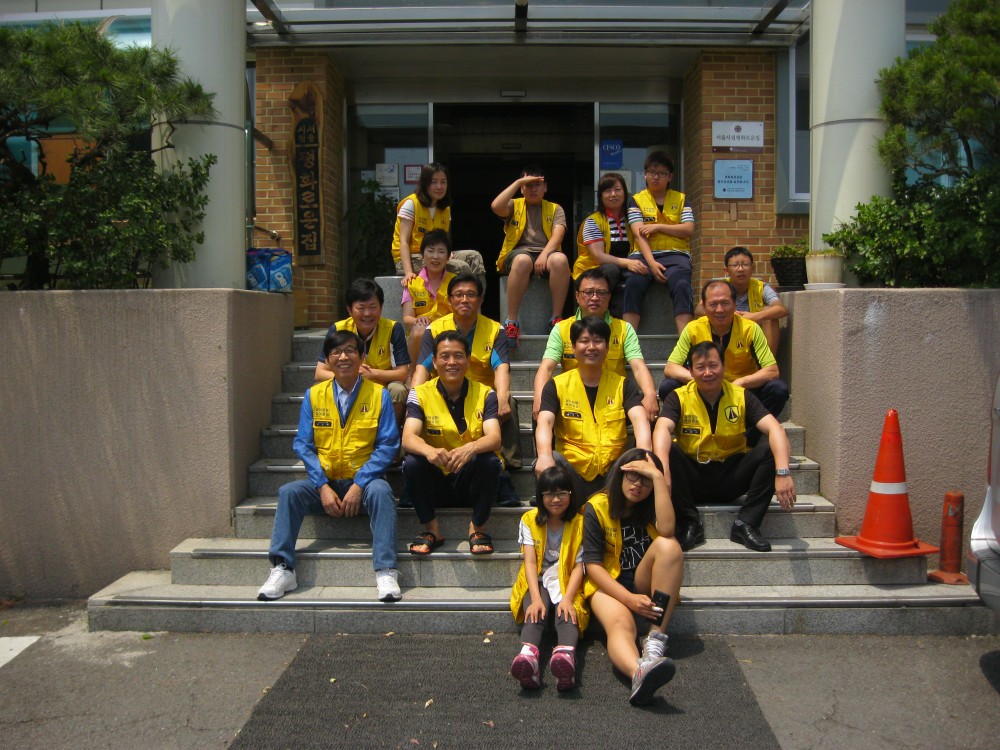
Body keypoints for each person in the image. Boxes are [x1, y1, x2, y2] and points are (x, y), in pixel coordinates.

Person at [259, 329, 401, 602]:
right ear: (327, 359)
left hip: (364, 483)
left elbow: (388, 445)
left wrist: (360, 483)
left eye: (350, 351)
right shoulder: (314, 395)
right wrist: (322, 486)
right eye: (336, 352)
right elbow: (303, 444)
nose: (343, 357)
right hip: (326, 483)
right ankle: (283, 568)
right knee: (289, 493)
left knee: (382, 492)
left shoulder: (379, 395)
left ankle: (386, 570)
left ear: (362, 357)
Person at [653, 341, 797, 552]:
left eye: (713, 365)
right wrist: (663, 472)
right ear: (690, 371)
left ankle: (746, 523)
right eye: (700, 367)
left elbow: (776, 429)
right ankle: (690, 522)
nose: (708, 372)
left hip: (731, 475)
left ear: (724, 366)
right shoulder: (679, 397)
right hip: (692, 477)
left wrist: (783, 472)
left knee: (769, 451)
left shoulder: (741, 396)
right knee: (668, 452)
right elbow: (662, 429)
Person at [582, 448, 683, 706]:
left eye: (646, 480)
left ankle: (655, 641)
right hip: (607, 585)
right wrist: (629, 600)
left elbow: (667, 530)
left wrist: (658, 478)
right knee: (621, 623)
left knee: (670, 546)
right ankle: (638, 672)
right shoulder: (597, 506)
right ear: (620, 475)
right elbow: (592, 566)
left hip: (641, 580)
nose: (638, 485)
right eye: (633, 476)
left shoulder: (655, 502)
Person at [413, 273, 522, 504]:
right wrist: (415, 398)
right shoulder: (435, 329)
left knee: (508, 402)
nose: (465, 299)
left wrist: (502, 397)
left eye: (471, 295)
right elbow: (422, 368)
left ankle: (506, 467)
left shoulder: (495, 330)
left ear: (480, 300)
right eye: (459, 295)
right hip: (444, 392)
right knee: (413, 409)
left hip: (481, 397)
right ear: (450, 300)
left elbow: (501, 367)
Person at [402, 330, 503, 556]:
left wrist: (471, 448)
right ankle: (432, 529)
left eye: (458, 356)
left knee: (489, 461)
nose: (451, 362)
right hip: (435, 481)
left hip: (469, 481)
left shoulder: (486, 393)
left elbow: (495, 437)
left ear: (468, 360)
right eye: (444, 356)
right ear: (434, 361)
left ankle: (477, 528)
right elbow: (408, 437)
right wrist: (428, 450)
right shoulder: (419, 393)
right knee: (412, 462)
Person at [534, 316, 650, 498]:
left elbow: (640, 420)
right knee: (551, 458)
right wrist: (544, 455)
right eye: (584, 341)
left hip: (613, 475)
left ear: (607, 347)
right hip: (573, 474)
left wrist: (644, 454)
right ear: (573, 347)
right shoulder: (557, 385)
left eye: (598, 341)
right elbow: (545, 422)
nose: (591, 347)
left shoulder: (623, 385)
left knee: (638, 458)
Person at [532, 268, 659, 424]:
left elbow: (638, 367)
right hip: (572, 400)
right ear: (577, 296)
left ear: (609, 297)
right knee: (542, 409)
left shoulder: (624, 329)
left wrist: (650, 394)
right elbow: (546, 368)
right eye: (588, 292)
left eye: (601, 293)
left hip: (613, 400)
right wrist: (539, 397)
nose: (595, 297)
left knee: (650, 408)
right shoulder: (561, 329)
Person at [659, 278, 789, 420]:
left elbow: (772, 371)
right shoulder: (693, 329)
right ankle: (693, 428)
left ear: (735, 304)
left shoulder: (750, 329)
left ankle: (749, 432)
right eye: (713, 304)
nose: (719, 310)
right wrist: (702, 379)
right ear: (704, 307)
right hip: (703, 389)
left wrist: (741, 382)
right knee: (668, 387)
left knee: (778, 390)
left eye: (725, 303)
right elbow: (670, 368)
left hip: (740, 391)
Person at [509, 464, 588, 692]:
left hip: (566, 578)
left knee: (568, 611)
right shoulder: (529, 519)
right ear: (540, 496)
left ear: (570, 495)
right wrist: (535, 598)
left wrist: (568, 598)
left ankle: (565, 657)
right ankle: (528, 657)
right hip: (538, 579)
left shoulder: (580, 523)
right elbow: (530, 563)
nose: (556, 499)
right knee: (535, 611)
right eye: (549, 494)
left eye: (562, 493)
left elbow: (579, 566)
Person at [491, 164, 570, 349]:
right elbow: (496, 206)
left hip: (547, 253)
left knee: (561, 260)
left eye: (537, 184)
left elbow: (558, 235)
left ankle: (556, 319)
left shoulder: (555, 208)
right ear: (521, 188)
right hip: (519, 253)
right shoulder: (515, 205)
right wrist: (518, 181)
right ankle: (512, 322)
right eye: (528, 185)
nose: (533, 189)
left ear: (545, 187)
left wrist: (544, 254)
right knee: (523, 260)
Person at [316, 278, 409, 424]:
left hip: (380, 388)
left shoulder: (393, 329)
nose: (367, 314)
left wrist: (372, 374)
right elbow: (320, 373)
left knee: (398, 390)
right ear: (349, 310)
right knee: (320, 389)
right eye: (361, 308)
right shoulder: (338, 329)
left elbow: (402, 374)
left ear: (381, 307)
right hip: (347, 386)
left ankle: (392, 433)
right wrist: (353, 377)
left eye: (373, 307)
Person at [623, 151, 695, 334]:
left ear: (670, 177)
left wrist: (658, 227)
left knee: (681, 285)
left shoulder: (681, 199)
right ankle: (629, 341)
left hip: (676, 254)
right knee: (633, 283)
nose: (656, 177)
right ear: (645, 174)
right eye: (652, 172)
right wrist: (652, 263)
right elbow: (639, 235)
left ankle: (685, 341)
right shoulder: (636, 201)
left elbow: (688, 229)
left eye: (662, 173)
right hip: (643, 255)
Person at [391, 162, 485, 288]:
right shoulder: (411, 204)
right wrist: (408, 272)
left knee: (474, 257)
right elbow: (403, 242)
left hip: (436, 254)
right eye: (434, 182)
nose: (439, 186)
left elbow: (443, 239)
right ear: (424, 183)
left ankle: (477, 299)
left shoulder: (445, 209)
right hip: (411, 257)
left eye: (443, 182)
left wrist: (447, 253)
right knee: (461, 267)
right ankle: (461, 298)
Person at [696, 246, 788, 355]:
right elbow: (699, 309)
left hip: (751, 334)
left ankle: (767, 362)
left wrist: (754, 316)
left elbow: (781, 309)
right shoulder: (719, 286)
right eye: (735, 265)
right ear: (726, 270)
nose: (740, 269)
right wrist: (729, 315)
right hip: (723, 331)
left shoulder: (761, 287)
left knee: (768, 312)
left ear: (752, 268)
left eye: (745, 264)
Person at [573, 172, 647, 291]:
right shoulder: (592, 221)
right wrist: (628, 263)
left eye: (617, 189)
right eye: (607, 191)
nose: (613, 194)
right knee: (611, 270)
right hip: (592, 271)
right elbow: (598, 257)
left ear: (624, 193)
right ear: (601, 196)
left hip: (623, 268)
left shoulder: (632, 220)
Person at [401, 229, 454, 379]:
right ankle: (413, 377)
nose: (435, 256)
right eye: (431, 251)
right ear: (422, 255)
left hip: (448, 331)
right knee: (419, 330)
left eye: (441, 252)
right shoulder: (412, 283)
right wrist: (418, 320)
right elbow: (407, 318)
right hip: (421, 333)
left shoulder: (456, 282)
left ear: (448, 256)